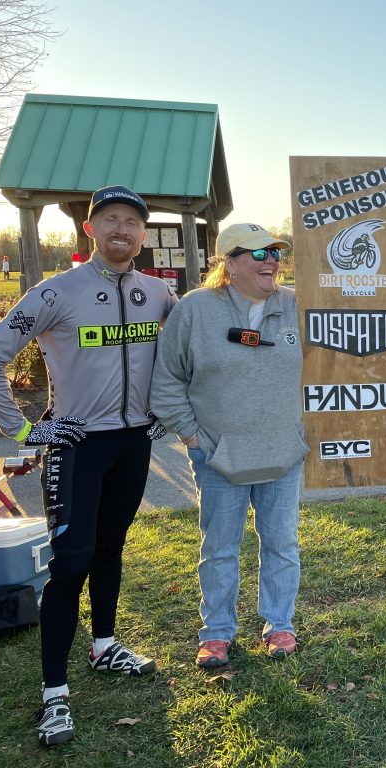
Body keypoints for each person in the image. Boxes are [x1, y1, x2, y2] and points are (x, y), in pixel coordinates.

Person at [0, 185, 177, 746]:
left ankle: (106, 645)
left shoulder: (159, 295)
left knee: (111, 548)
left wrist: (166, 411)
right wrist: (23, 429)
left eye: (132, 222)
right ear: (90, 230)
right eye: (110, 219)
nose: (122, 229)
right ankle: (55, 696)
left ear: (142, 234)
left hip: (135, 444)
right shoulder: (56, 292)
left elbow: (188, 354)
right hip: (77, 445)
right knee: (70, 566)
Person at [149, 223, 309, 669]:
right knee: (219, 547)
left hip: (282, 454)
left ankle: (280, 624)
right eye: (257, 254)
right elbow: (166, 381)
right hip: (219, 457)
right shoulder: (196, 310)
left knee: (282, 543)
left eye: (274, 252)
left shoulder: (297, 304)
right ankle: (217, 632)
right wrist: (193, 436)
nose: (270, 261)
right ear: (229, 262)